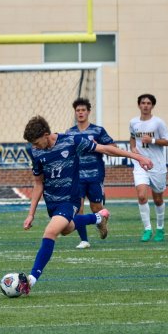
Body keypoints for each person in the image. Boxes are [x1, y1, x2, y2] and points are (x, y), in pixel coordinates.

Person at [18, 115, 153, 295]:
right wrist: (31, 213)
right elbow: (38, 183)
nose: (34, 147)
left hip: (70, 200)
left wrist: (137, 157)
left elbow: (105, 149)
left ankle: (30, 281)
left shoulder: (72, 141)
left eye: (36, 142)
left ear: (46, 134)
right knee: (66, 230)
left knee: (50, 232)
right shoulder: (35, 152)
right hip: (52, 202)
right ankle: (99, 217)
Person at [66, 97, 115, 249]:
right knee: (78, 208)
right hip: (77, 177)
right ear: (75, 113)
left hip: (95, 175)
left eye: (83, 110)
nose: (80, 113)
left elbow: (112, 146)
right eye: (78, 110)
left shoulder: (98, 130)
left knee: (96, 208)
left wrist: (98, 145)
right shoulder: (70, 133)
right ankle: (84, 240)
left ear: (88, 112)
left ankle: (101, 221)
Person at [129, 93, 168, 242]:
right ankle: (147, 229)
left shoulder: (158, 123)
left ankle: (160, 228)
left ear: (152, 106)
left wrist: (152, 140)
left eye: (148, 103)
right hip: (140, 163)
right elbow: (132, 137)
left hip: (157, 165)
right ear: (139, 105)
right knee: (141, 195)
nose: (145, 105)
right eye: (143, 103)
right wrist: (133, 149)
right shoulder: (133, 122)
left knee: (158, 198)